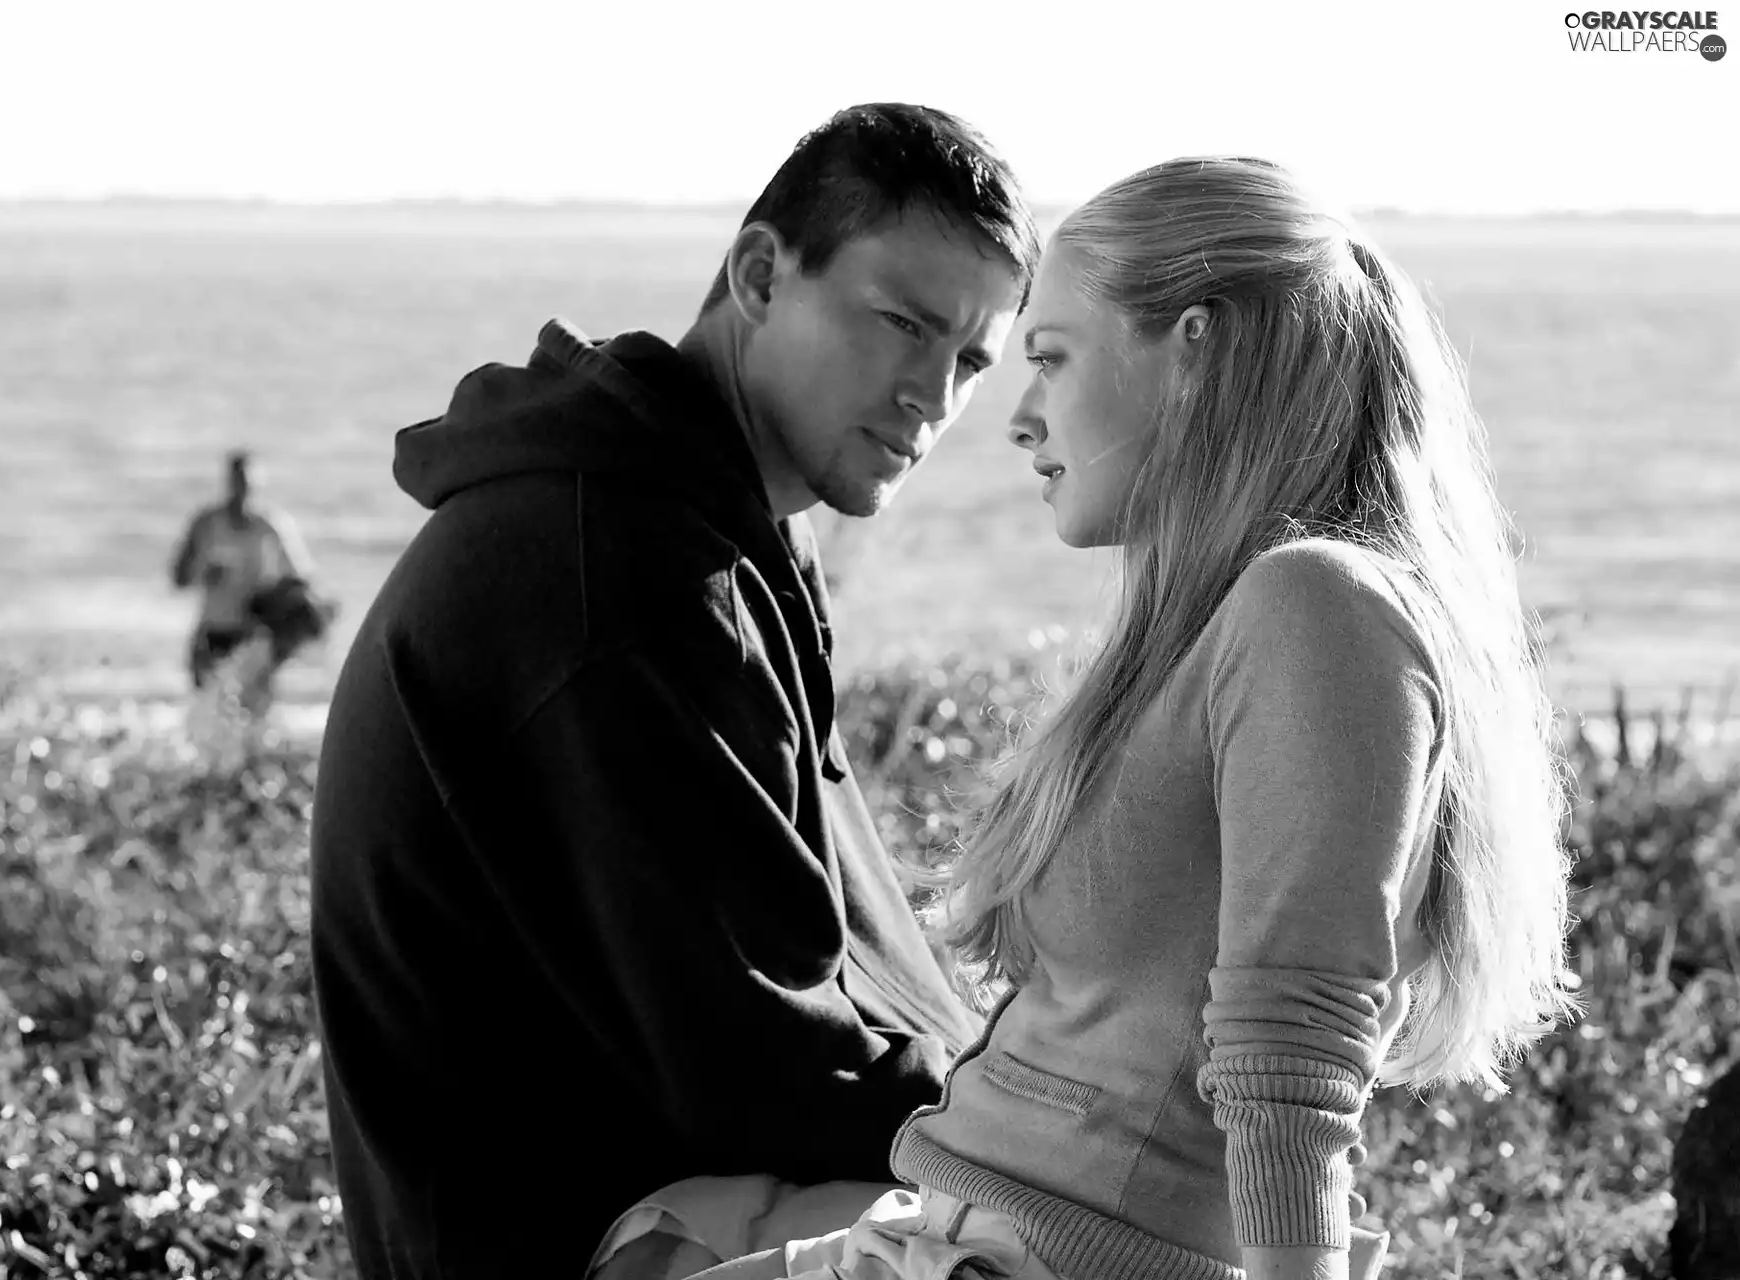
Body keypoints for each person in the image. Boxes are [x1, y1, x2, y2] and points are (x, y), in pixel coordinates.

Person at [693, 158, 1580, 1280]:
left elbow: (1296, 1039)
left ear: (1194, 351)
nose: (1016, 417)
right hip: (951, 1229)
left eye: (1050, 359)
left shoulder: (1317, 605)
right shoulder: (1219, 619)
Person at [306, 104, 1041, 1280]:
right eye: (901, 322)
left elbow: (838, 976)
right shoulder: (612, 571)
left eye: (968, 360)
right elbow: (762, 1063)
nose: (930, 394)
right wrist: (1043, 1130)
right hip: (588, 1236)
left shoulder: (711, 529)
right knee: (1042, 1245)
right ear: (760, 272)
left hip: (682, 1194)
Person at [167, 450, 320, 710]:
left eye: (248, 484)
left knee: (253, 714)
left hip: (252, 633)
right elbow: (179, 578)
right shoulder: (207, 522)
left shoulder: (270, 524)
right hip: (212, 629)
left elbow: (303, 577)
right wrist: (205, 572)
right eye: (238, 483)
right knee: (206, 711)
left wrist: (275, 597)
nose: (242, 492)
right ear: (228, 482)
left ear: (258, 484)